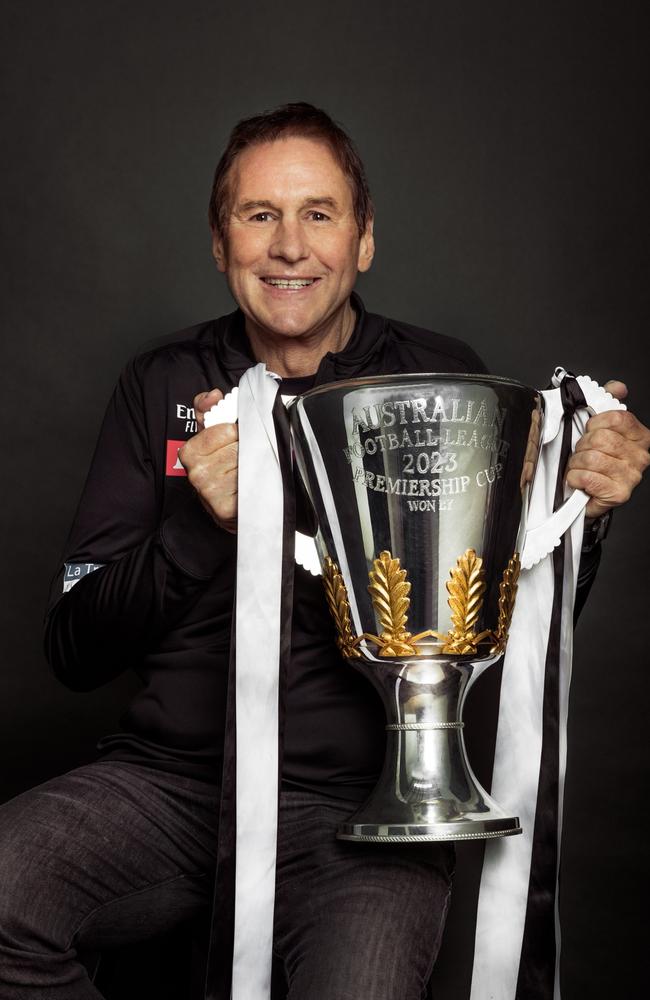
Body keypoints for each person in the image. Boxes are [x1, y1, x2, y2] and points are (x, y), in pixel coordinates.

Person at [1, 103, 648, 1000]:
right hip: (172, 788)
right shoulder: (160, 384)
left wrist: (584, 509)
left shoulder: (439, 381)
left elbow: (493, 628)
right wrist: (202, 526)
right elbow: (73, 649)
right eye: (259, 215)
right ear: (220, 244)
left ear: (364, 239)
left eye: (319, 213)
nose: (289, 247)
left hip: (363, 811)